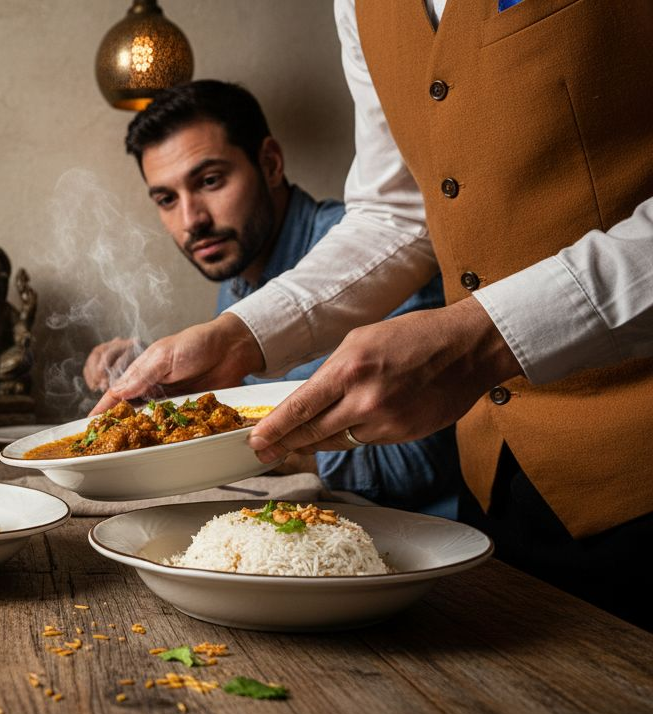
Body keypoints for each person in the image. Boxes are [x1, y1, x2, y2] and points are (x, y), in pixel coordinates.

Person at [97, 0, 653, 628]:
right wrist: (239, 337)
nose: (191, 217)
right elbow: (397, 211)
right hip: (494, 492)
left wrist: (481, 337)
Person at [83, 80, 457, 515]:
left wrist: (258, 446)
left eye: (209, 180)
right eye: (167, 199)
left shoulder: (382, 260)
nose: (192, 220)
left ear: (271, 164)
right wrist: (155, 378)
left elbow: (420, 462)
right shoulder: (238, 280)